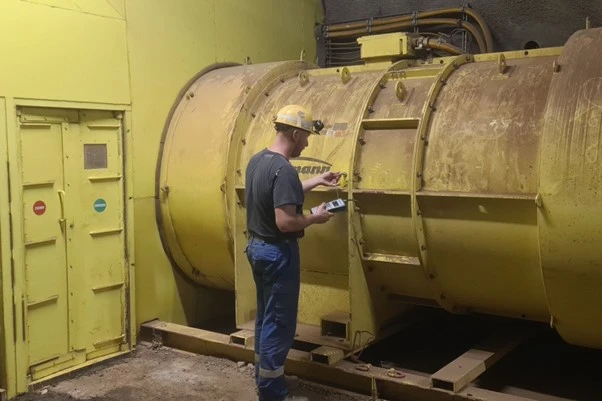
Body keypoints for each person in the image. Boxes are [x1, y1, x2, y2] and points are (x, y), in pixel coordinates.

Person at [245, 105, 340, 401]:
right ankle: (273, 394)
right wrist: (315, 218)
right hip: (278, 253)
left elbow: (282, 190)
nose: (308, 143)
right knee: (279, 323)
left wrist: (317, 180)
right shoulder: (284, 168)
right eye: (306, 137)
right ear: (295, 134)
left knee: (265, 317)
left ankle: (265, 378)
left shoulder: (258, 161)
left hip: (257, 248)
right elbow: (285, 221)